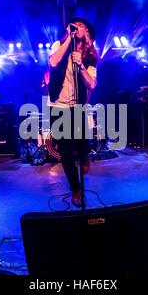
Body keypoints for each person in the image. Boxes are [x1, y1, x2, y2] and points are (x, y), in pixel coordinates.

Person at [48, 17, 98, 207]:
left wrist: (81, 65)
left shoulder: (91, 56)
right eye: (76, 25)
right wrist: (69, 39)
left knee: (82, 143)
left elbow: (91, 83)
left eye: (83, 26)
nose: (79, 27)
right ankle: (75, 189)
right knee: (66, 152)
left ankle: (85, 156)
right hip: (58, 106)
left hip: (77, 106)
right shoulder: (58, 44)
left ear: (88, 34)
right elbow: (53, 63)